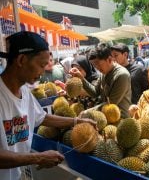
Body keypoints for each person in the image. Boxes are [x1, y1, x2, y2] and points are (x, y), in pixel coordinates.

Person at [0, 31, 96, 180]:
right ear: (21, 60)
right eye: (41, 64)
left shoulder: (24, 92)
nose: (43, 71)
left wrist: (77, 121)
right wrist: (37, 158)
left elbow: (43, 117)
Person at [70, 43, 132, 118]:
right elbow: (95, 92)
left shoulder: (122, 75)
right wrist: (81, 78)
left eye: (97, 64)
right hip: (105, 117)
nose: (96, 67)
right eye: (94, 65)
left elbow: (111, 104)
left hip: (120, 118)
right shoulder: (103, 73)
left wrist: (88, 112)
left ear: (109, 59)